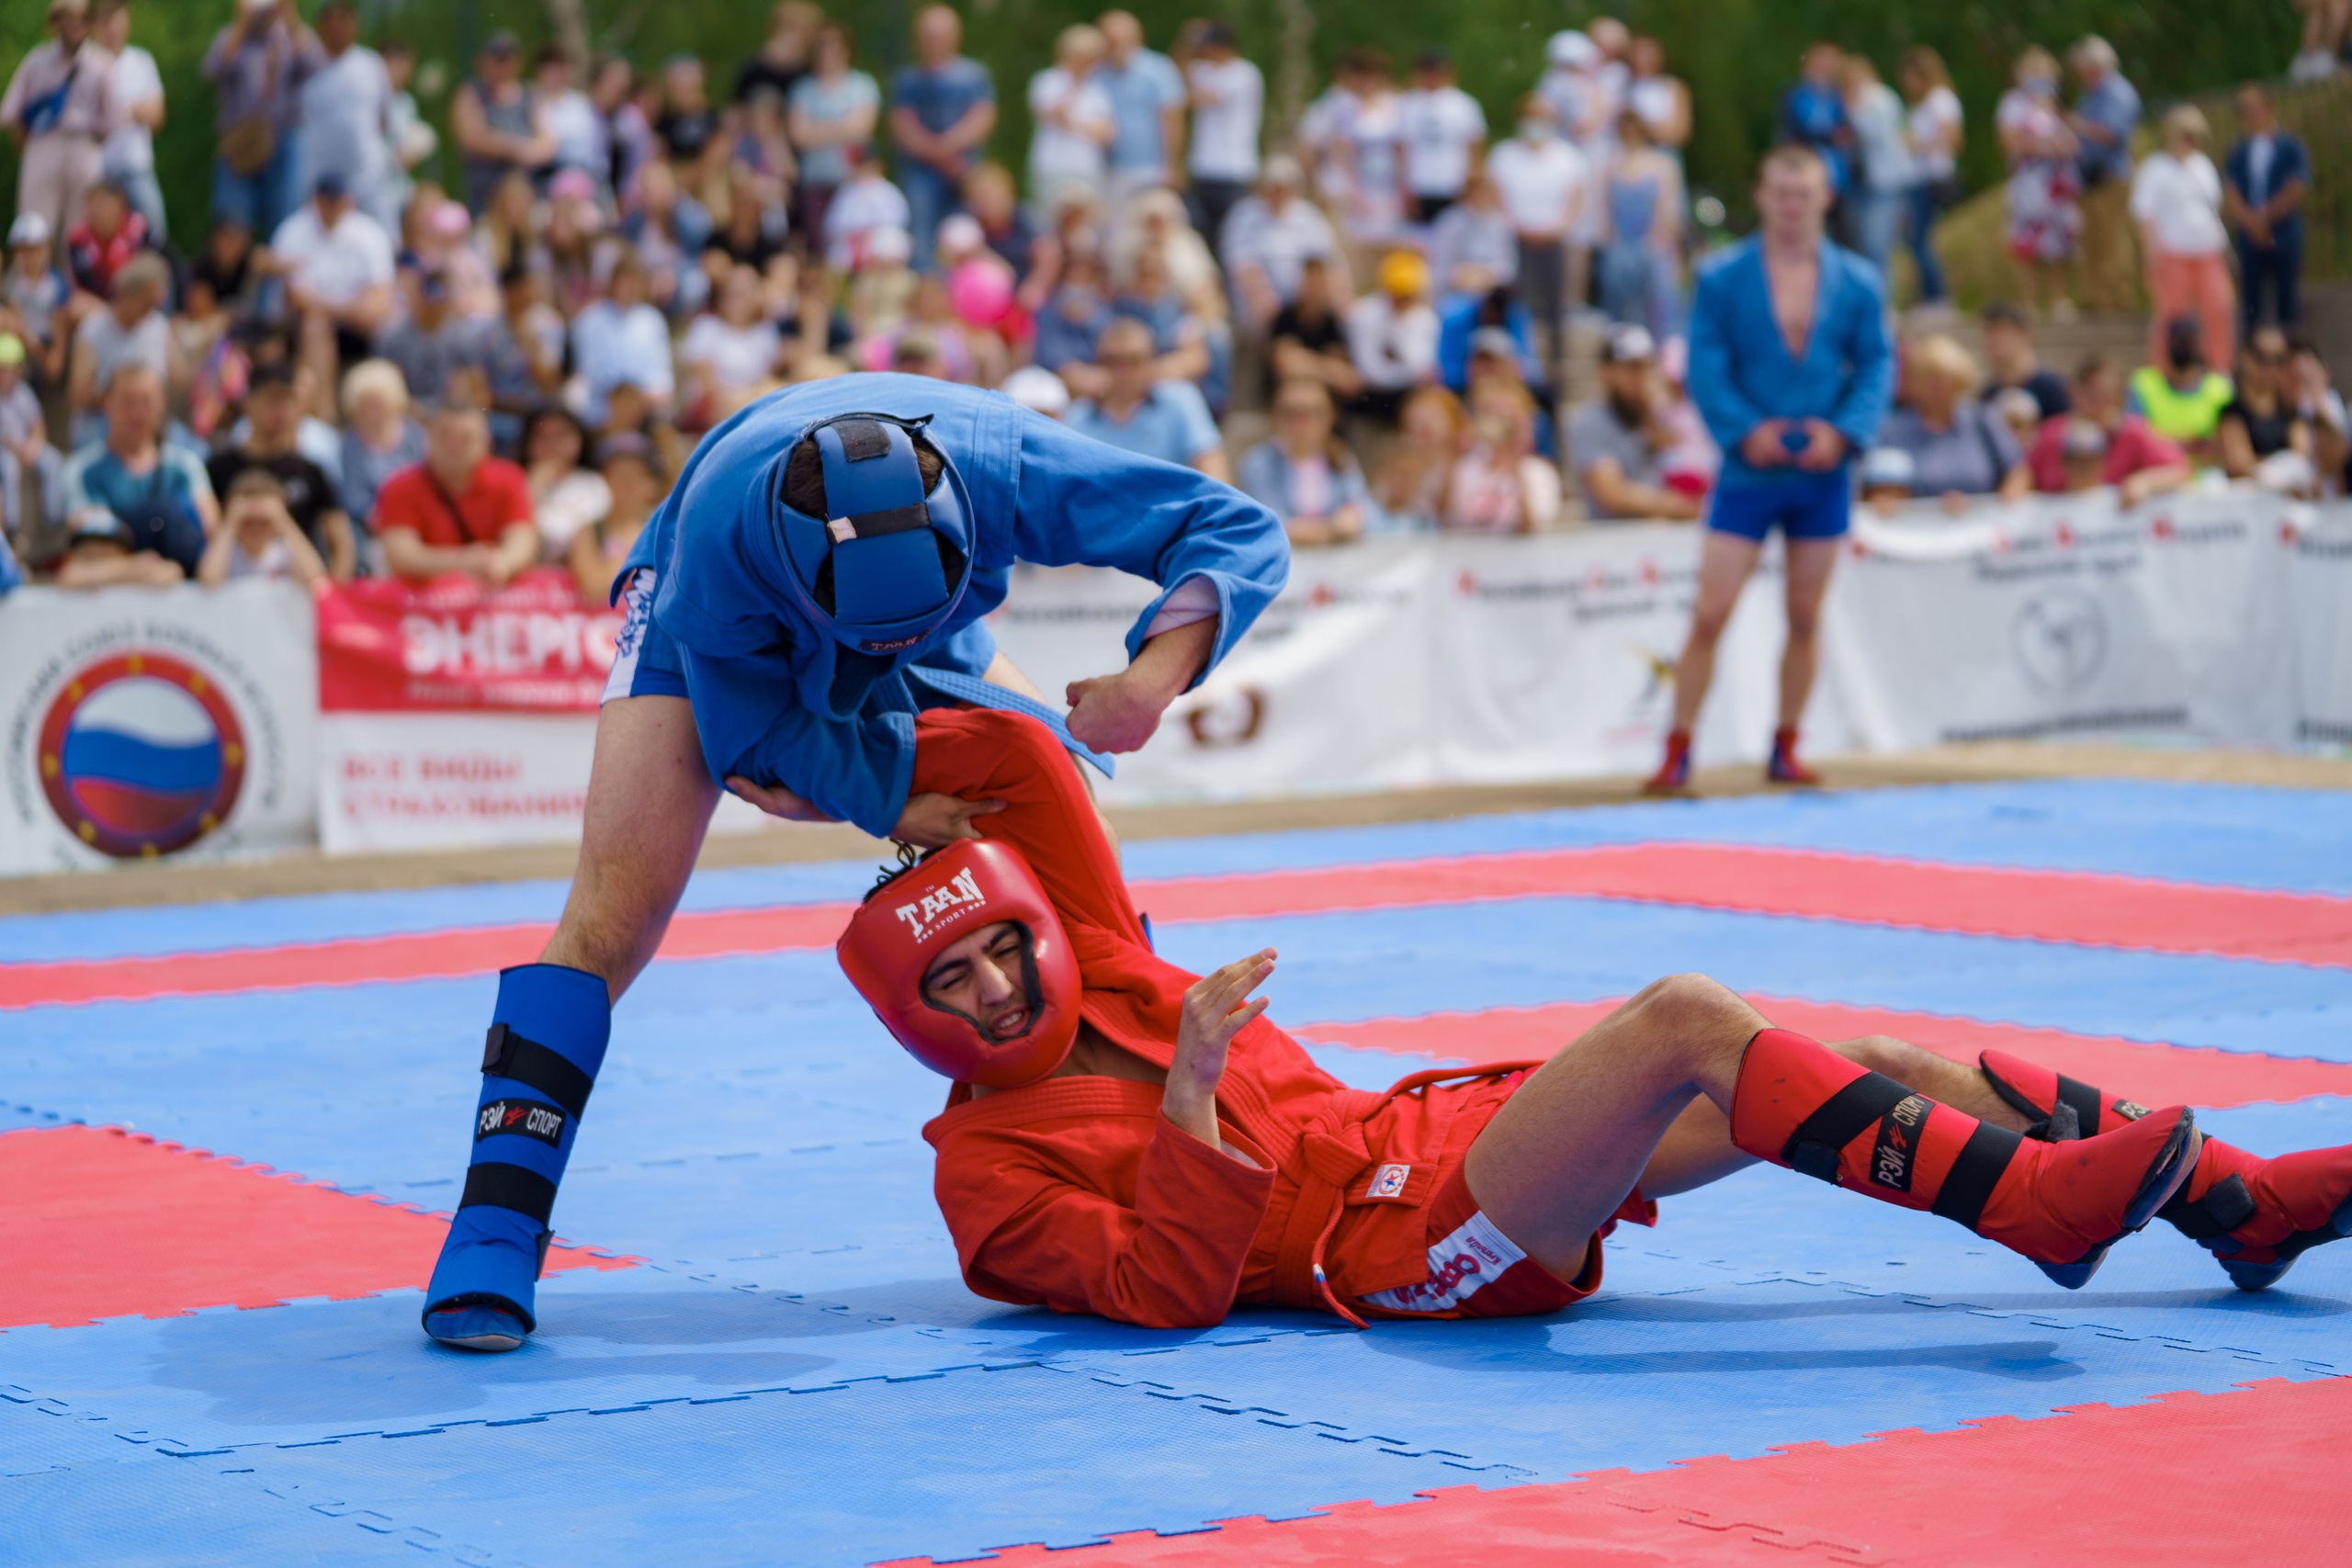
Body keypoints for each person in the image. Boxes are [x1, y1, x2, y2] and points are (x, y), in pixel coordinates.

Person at [844, 710, 2352, 1331]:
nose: (995, 989)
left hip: (1436, 1132)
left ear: (1036, 926)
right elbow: (1159, 1290)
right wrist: (1188, 1094)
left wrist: (815, 756)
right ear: (913, 1018)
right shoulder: (985, 1173)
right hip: (1390, 1247)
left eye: (998, 949)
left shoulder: (1111, 963)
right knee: (1690, 1015)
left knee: (1876, 1063)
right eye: (951, 983)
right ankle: (2028, 1206)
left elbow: (1023, 763)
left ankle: (2239, 1206)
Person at [413, 371, 1289, 1352]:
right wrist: (888, 800)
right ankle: (496, 1222)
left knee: (1072, 813)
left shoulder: (1004, 470)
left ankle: (1122, 1129)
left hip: (915, 601)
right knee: (614, 916)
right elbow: (761, 754)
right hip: (713, 625)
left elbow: (1236, 528)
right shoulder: (718, 554)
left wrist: (1150, 681)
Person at [1648, 144, 1894, 795]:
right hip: (1747, 468)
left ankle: (1786, 743)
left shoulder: (1858, 281)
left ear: (1825, 199)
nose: (1792, 206)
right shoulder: (1722, 276)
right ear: (1762, 197)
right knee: (1711, 610)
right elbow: (1705, 363)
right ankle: (1677, 747)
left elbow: (1876, 362)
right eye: (1781, 193)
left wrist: (1843, 432)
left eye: (1803, 194)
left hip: (1822, 467)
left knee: (1805, 612)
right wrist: (1744, 430)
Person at [61, 364, 218, 576]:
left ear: (161, 404)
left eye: (146, 402)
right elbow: (88, 546)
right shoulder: (82, 470)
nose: (137, 413)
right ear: (107, 404)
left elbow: (211, 530)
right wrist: (142, 569)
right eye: (127, 402)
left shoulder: (186, 465)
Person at [259, 173, 396, 416]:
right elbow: (299, 299)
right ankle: (322, 413)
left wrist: (331, 307)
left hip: (357, 326)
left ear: (348, 201)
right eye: (325, 200)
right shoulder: (293, 231)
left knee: (340, 319)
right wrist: (349, 306)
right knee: (316, 324)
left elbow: (378, 304)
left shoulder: (371, 235)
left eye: (336, 200)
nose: (330, 206)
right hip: (301, 325)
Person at [207, 360, 356, 580]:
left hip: (299, 583)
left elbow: (343, 547)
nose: (281, 411)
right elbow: (208, 539)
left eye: (289, 401)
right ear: (249, 403)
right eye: (272, 400)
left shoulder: (311, 471)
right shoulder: (218, 468)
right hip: (231, 584)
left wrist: (330, 592)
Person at [373, 398, 538, 585]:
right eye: (445, 435)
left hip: (492, 594)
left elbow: (523, 539)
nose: (454, 445)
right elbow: (401, 555)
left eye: (466, 438)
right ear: (428, 438)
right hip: (423, 600)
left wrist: (502, 564)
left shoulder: (510, 479)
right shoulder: (399, 487)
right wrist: (467, 562)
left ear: (486, 442)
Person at [888, 6, 996, 268]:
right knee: (921, 236)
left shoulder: (974, 75)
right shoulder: (907, 79)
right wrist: (941, 153)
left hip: (964, 170)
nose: (934, 40)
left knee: (965, 236)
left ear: (955, 36)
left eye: (939, 34)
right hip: (921, 172)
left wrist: (947, 147)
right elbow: (902, 125)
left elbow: (982, 117)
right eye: (928, 34)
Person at [6, 0, 117, 253]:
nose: (74, 26)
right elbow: (11, 115)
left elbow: (113, 119)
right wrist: (30, 149)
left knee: (81, 228)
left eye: (81, 19)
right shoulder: (36, 61)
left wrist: (91, 146)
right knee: (35, 224)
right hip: (44, 143)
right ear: (56, 23)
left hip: (84, 146)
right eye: (67, 19)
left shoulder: (101, 63)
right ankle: (31, 277)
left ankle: (75, 276)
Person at [204, 0, 322, 241]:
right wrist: (241, 22)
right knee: (232, 221)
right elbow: (214, 68)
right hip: (240, 142)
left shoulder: (291, 36)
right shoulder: (231, 37)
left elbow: (315, 63)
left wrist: (290, 17)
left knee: (284, 220)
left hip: (284, 139)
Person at [1873, 334, 2032, 510]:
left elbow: (2018, 470)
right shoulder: (1895, 429)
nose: (1938, 387)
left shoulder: (1982, 419)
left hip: (1981, 524)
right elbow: (1880, 488)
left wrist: (2005, 503)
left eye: (1944, 379)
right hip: (1917, 525)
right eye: (1930, 378)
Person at [2132, 106, 2233, 377]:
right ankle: (2163, 370)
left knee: (2218, 308)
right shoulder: (2155, 167)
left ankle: (2219, 368)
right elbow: (2144, 214)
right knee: (2171, 315)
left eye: (2194, 137)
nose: (2188, 142)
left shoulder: (2203, 165)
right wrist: (2150, 252)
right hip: (2172, 251)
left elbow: (2213, 207)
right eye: (2184, 135)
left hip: (2208, 250)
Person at [1063, 317, 1229, 480]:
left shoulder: (1181, 400)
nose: (1123, 371)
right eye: (1113, 360)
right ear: (1098, 363)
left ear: (1152, 361)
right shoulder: (1077, 417)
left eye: (1134, 360)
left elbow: (1212, 466)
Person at [1485, 95, 1588, 346]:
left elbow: (1576, 200)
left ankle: (1556, 359)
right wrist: (1516, 227)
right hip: (1513, 242)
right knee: (1516, 304)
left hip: (1556, 243)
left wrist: (1557, 229)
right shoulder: (1503, 156)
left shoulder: (1569, 158)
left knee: (1557, 307)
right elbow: (1494, 197)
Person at [1569, 324, 1700, 522]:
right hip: (1614, 537)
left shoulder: (1659, 417)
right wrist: (1677, 506)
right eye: (1631, 368)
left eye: (1646, 367)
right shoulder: (1590, 423)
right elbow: (1611, 494)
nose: (1641, 376)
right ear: (1606, 371)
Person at [2027, 354, 2190, 505]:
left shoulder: (2133, 433)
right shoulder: (2051, 434)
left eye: (2107, 394)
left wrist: (2144, 482)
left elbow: (2179, 469)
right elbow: (2025, 475)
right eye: (2093, 395)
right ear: (2075, 392)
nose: (2100, 403)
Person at [1996, 49, 2079, 320]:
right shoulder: (2013, 104)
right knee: (2027, 242)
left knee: (2059, 243)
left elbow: (2070, 142)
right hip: (2029, 184)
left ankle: (2058, 300)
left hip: (2056, 186)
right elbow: (2009, 142)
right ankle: (2028, 302)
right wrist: (2046, 146)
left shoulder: (2055, 105)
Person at [2223, 85, 2311, 344]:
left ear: (2268, 107)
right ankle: (2253, 353)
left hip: (2284, 231)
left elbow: (2297, 187)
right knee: (2251, 301)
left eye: (2254, 108)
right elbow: (2232, 190)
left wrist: (2265, 218)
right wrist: (2250, 221)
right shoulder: (2238, 150)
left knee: (2288, 298)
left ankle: (2292, 352)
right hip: (2249, 235)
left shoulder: (2291, 146)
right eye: (2244, 110)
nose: (2250, 114)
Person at [1220, 156, 1342, 339]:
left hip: (1302, 300)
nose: (1277, 192)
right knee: (1263, 310)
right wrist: (1270, 305)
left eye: (1284, 186)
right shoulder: (1243, 216)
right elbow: (1243, 268)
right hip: (1261, 302)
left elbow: (1325, 262)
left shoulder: (1310, 218)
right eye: (1273, 186)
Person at [301, 2, 396, 231]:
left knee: (381, 234)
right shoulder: (306, 65)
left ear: (355, 24)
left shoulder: (372, 64)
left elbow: (384, 117)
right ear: (320, 26)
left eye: (344, 19)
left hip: (367, 176)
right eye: (331, 20)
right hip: (319, 177)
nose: (337, 27)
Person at [1239, 377, 1367, 547]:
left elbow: (1358, 510)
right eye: (1291, 413)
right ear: (1275, 415)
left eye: (1313, 412)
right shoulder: (1258, 463)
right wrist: (1333, 529)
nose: (1302, 423)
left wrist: (1350, 519)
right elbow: (1269, 525)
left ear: (1330, 416)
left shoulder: (1340, 457)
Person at [791, 24, 883, 256]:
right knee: (820, 246)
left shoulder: (862, 85)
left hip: (854, 182)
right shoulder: (803, 89)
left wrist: (817, 130)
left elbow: (862, 130)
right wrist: (844, 126)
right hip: (815, 180)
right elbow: (800, 136)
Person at [65, 249, 175, 437]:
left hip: (150, 426)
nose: (150, 312)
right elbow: (78, 394)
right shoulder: (92, 331)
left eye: (155, 305)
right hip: (102, 423)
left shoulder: (158, 326)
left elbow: (182, 379)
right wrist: (125, 397)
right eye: (147, 303)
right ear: (125, 295)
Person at [2066, 37, 2142, 310]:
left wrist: (2078, 125)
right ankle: (2095, 297)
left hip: (2111, 176)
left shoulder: (2118, 93)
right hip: (2088, 176)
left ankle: (2120, 298)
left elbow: (2112, 134)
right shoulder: (2090, 93)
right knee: (2091, 239)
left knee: (2114, 238)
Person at [1596, 111, 1683, 339]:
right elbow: (1604, 212)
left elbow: (1670, 208)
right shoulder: (1611, 165)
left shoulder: (1663, 164)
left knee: (1658, 307)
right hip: (1621, 249)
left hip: (1654, 245)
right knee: (1622, 308)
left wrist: (1661, 240)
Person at [450, 31, 554, 216]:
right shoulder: (470, 93)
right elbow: (472, 138)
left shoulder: (531, 94)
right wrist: (517, 149)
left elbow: (548, 143)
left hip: (528, 193)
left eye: (507, 57)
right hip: (485, 197)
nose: (501, 64)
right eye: (496, 57)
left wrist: (514, 148)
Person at [1095, 11, 1184, 215]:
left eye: (1116, 39)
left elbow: (1172, 118)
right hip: (1108, 168)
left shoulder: (1159, 69)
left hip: (1150, 168)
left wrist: (1173, 166)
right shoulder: (1097, 72)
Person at [1182, 24, 1261, 249]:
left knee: (1233, 233)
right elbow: (1175, 74)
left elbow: (1205, 98)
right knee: (1203, 233)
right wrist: (1186, 43)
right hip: (1203, 167)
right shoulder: (1202, 70)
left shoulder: (1244, 73)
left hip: (1234, 168)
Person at [571, 255, 674, 425]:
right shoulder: (590, 319)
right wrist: (617, 397)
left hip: (644, 406)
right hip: (601, 403)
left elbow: (661, 376)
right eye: (623, 280)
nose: (627, 286)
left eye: (633, 280)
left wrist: (640, 398)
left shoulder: (652, 320)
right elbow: (587, 371)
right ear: (612, 282)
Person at [94, 1, 165, 243]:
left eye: (115, 20)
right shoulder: (87, 61)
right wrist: (133, 110)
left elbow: (157, 116)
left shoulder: (142, 60)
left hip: (137, 166)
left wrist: (120, 111)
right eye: (104, 21)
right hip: (98, 170)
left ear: (126, 22)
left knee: (154, 237)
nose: (110, 28)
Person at [1896, 47, 1962, 308]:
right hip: (1916, 178)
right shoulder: (1919, 104)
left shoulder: (1940, 100)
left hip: (1932, 177)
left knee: (1919, 239)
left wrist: (1916, 144)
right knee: (1916, 239)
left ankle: (1936, 296)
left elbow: (1952, 139)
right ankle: (1928, 294)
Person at [565, 430, 663, 604]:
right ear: (606, 478)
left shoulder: (664, 528)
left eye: (638, 474)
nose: (629, 483)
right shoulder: (587, 530)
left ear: (651, 483)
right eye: (620, 473)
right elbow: (591, 587)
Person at [1345, 250, 1440, 422]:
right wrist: (1408, 374)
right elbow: (1368, 370)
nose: (1403, 299)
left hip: (1409, 398)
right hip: (1372, 399)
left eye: (1408, 294)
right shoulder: (1364, 315)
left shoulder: (1425, 319)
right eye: (1398, 293)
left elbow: (1423, 365)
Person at [1839, 54, 1911, 278]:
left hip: (1884, 180)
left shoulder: (1877, 99)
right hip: (1865, 180)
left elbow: (1873, 134)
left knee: (1876, 245)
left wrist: (1852, 110)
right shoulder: (1879, 98)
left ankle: (1880, 294)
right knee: (1866, 244)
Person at [197, 466, 328, 589]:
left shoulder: (284, 551)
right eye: (247, 522)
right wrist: (231, 521)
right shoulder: (228, 552)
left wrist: (283, 520)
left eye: (264, 522)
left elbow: (314, 576)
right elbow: (209, 579)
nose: (255, 529)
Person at [1028, 25, 1116, 207]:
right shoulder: (1048, 81)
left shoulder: (1097, 90)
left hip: (1088, 167)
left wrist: (1074, 124)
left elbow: (1107, 134)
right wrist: (1073, 84)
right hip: (1053, 166)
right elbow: (1056, 115)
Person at [1395, 51, 1483, 229]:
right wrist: (1402, 187)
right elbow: (1401, 148)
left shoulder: (1463, 104)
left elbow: (1474, 148)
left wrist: (1471, 186)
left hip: (1453, 184)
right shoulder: (1407, 104)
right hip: (1418, 185)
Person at [2129, 316, 2234, 466]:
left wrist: (2165, 441)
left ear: (2201, 344)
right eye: (2178, 339)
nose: (2182, 345)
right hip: (2158, 474)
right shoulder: (2143, 384)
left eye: (2187, 340)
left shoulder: (2221, 389)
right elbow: (2132, 439)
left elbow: (2230, 445)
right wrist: (2190, 444)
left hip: (2209, 476)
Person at [2218, 326, 2313, 488]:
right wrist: (2283, 465)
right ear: (2246, 358)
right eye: (2262, 357)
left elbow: (2302, 458)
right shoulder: (2232, 413)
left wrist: (2262, 466)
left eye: (2278, 359)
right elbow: (2239, 465)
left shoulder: (2291, 411)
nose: (2270, 367)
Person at [337, 356, 424, 529]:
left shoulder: (414, 433)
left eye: (378, 402)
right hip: (375, 526)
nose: (373, 410)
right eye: (366, 403)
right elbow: (356, 498)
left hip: (418, 516)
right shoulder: (351, 443)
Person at [520, 404, 610, 565]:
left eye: (562, 436)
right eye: (543, 437)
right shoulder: (515, 481)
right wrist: (534, 486)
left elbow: (601, 538)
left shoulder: (594, 483)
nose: (553, 445)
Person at [1266, 254, 1359, 406]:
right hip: (1289, 391)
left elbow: (1344, 375)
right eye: (1310, 282)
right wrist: (1327, 369)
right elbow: (1284, 364)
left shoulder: (1331, 321)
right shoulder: (1285, 318)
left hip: (1323, 395)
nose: (1314, 289)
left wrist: (1303, 360)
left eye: (1319, 283)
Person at [1367, 385, 1462, 531]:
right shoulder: (1395, 464)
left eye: (1433, 417)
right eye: (1415, 420)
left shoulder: (1467, 464)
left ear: (1453, 421)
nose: (1424, 426)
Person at [0, 333, 62, 546]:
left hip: (26, 446)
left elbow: (37, 426)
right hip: (5, 450)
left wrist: (33, 446)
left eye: (8, 369)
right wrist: (17, 450)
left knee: (54, 462)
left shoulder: (24, 393)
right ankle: (12, 527)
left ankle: (53, 520)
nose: (4, 375)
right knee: (10, 470)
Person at [4, 213, 73, 388]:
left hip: (46, 343)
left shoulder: (57, 284)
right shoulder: (9, 282)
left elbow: (60, 324)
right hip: (21, 345)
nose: (26, 256)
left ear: (47, 248)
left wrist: (54, 354)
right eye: (21, 249)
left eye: (32, 249)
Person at [1776, 42, 1852, 199]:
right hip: (1802, 160)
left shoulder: (1838, 93)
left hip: (1835, 167)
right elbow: (1797, 126)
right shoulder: (1795, 92)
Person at [1979, 300, 2071, 421]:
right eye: (1988, 332)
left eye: (2000, 330)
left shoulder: (2051, 388)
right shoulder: (1988, 394)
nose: (1993, 339)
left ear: (2023, 333)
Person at [1428, 172, 1517, 296]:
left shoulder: (1500, 224)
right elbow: (1439, 263)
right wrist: (1461, 275)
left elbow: (1508, 267)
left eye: (1484, 192)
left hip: (1492, 291)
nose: (1480, 196)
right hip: (1454, 291)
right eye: (1476, 191)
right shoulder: (1449, 222)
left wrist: (1486, 275)